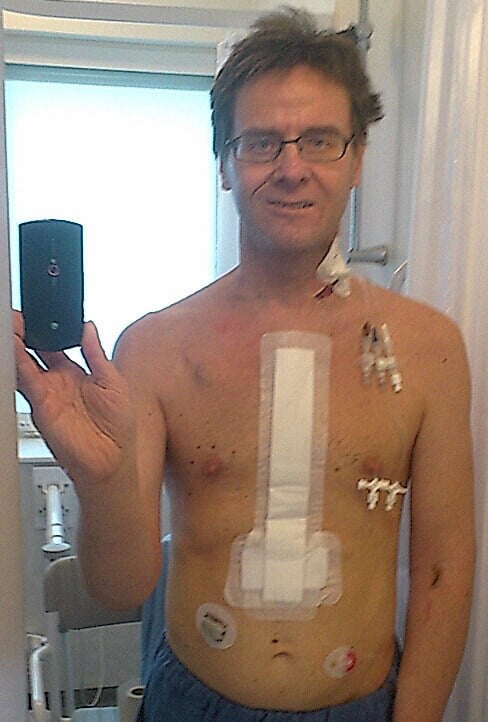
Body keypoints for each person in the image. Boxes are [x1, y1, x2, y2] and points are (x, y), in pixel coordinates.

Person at [14, 7, 475, 722]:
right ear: (225, 164)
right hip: (192, 700)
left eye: (320, 140)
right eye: (261, 143)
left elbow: (443, 572)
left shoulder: (429, 348)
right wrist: (99, 481)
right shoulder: (156, 347)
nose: (291, 168)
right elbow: (119, 586)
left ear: (357, 158)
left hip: (360, 703)